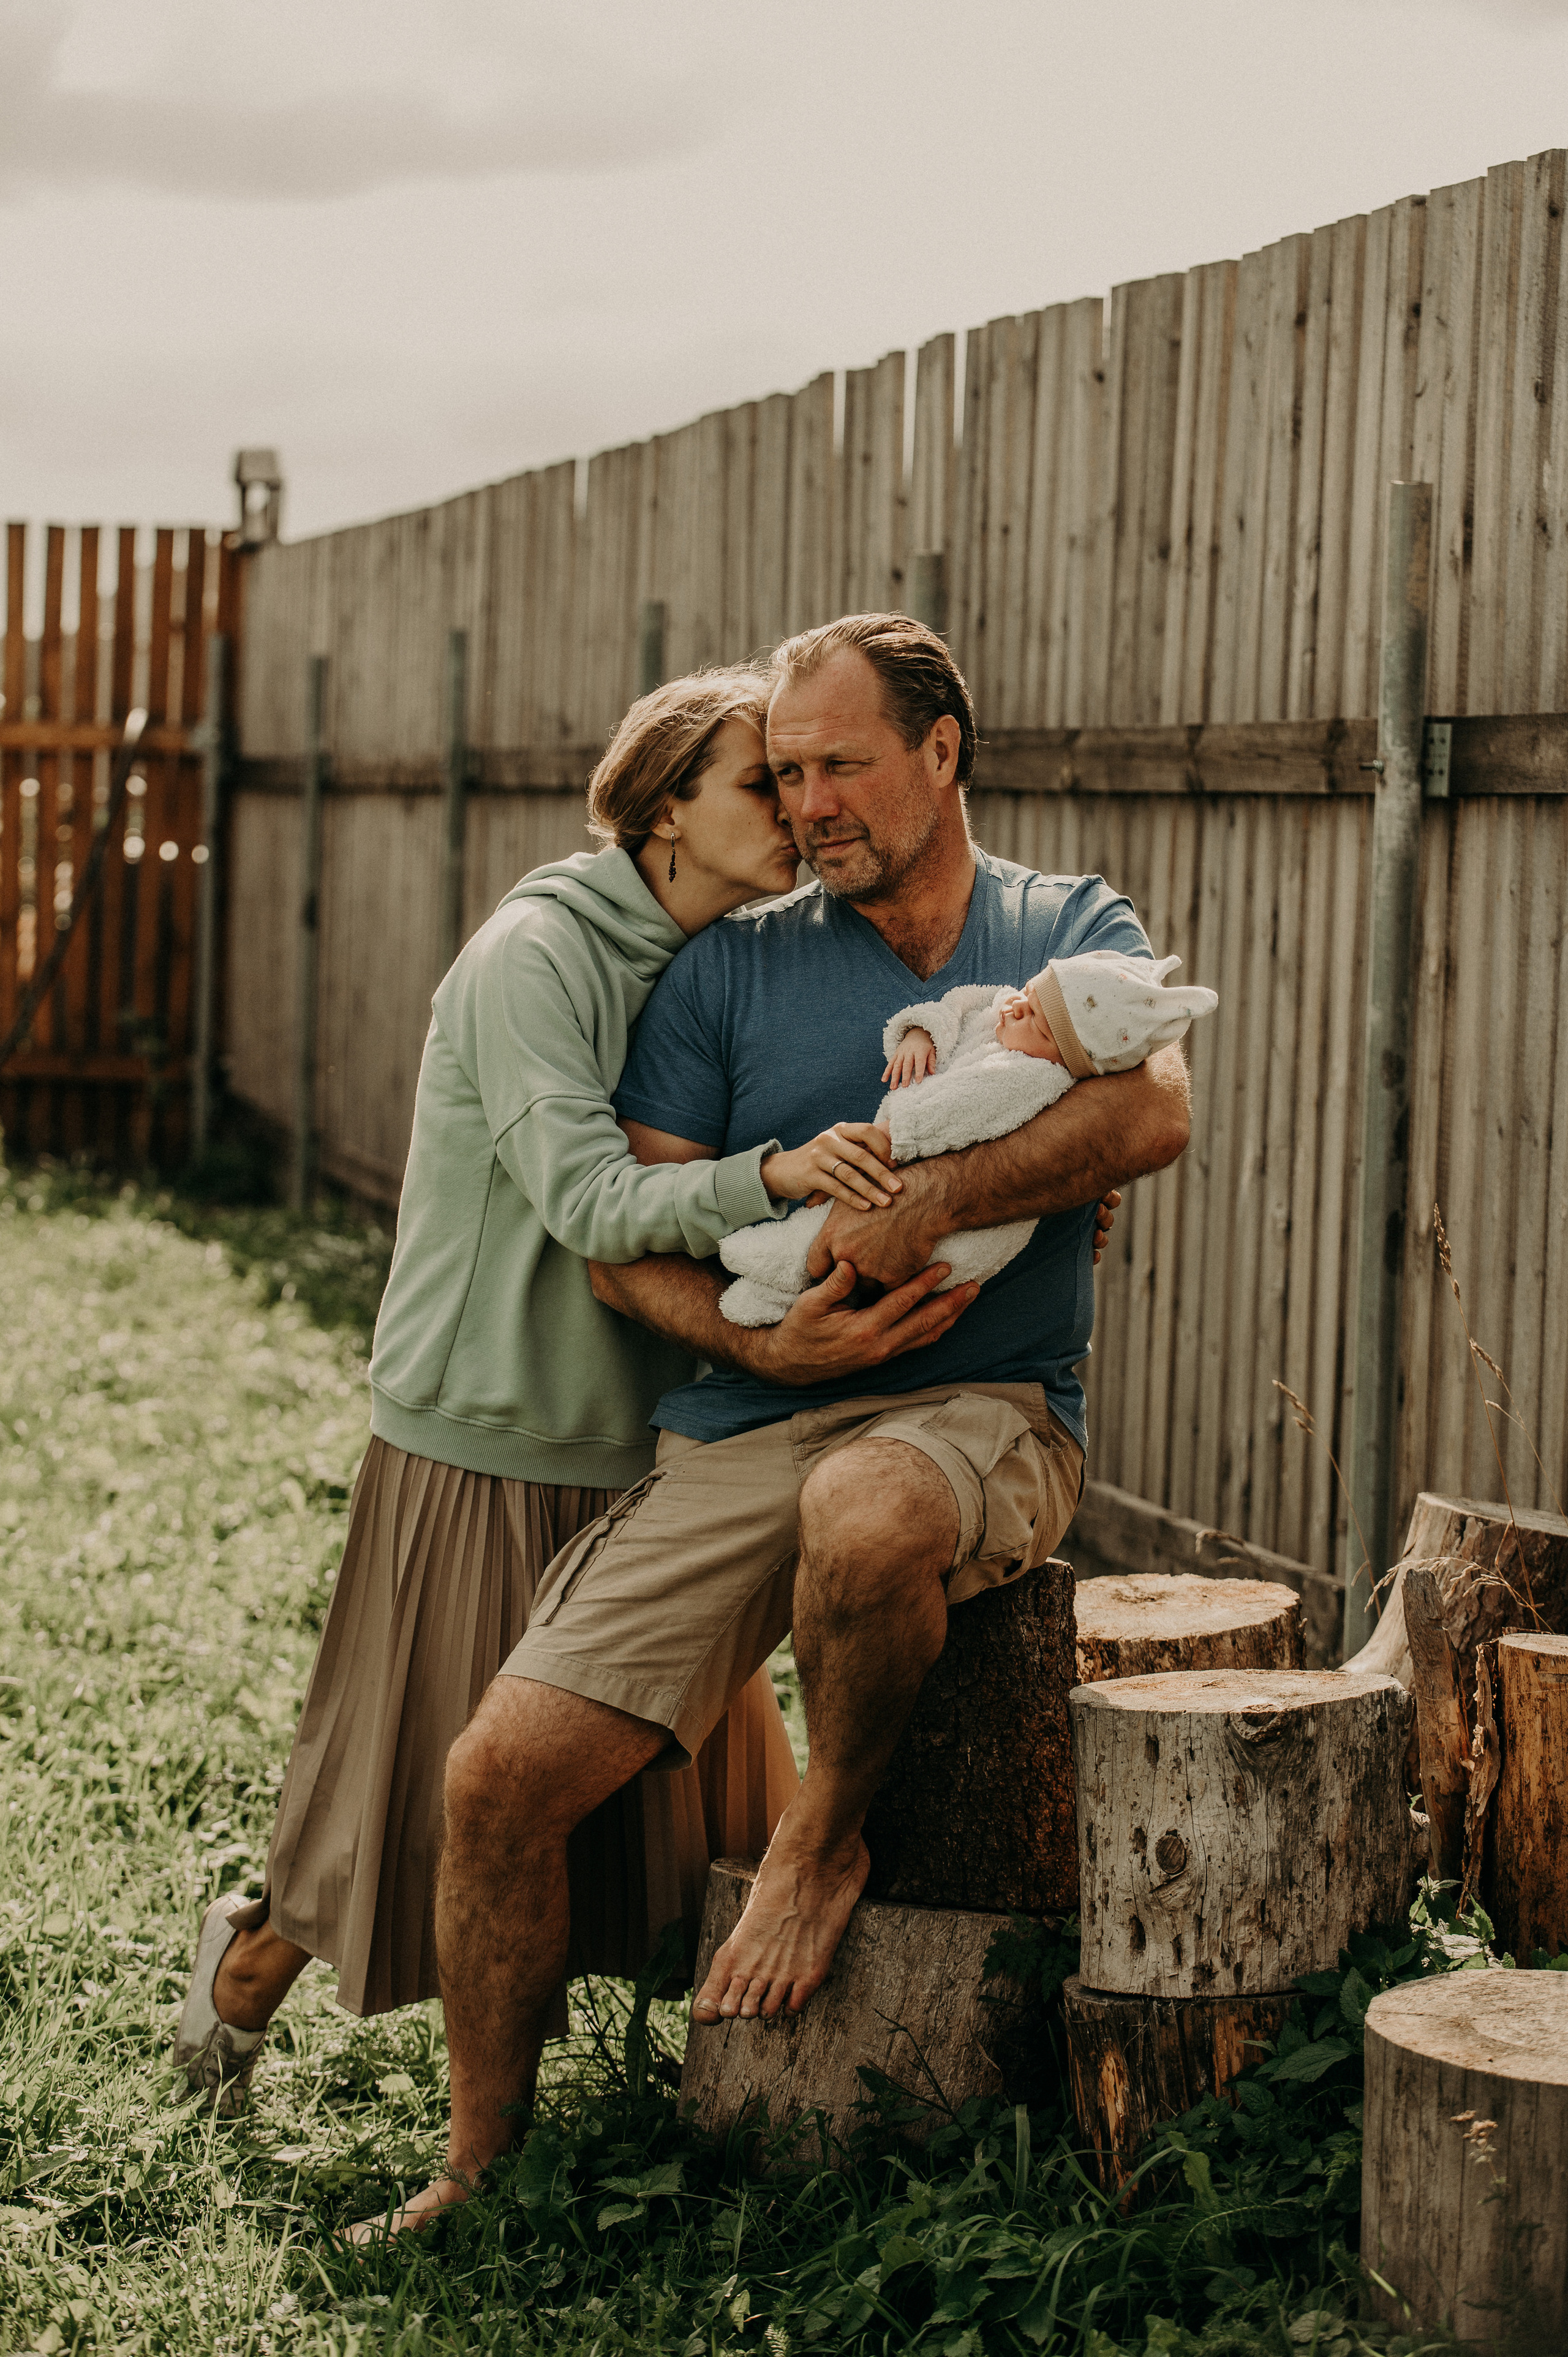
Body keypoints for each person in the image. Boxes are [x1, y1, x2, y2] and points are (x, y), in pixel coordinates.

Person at [382, 611, 1189, 2237]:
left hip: (982, 1406)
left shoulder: (1063, 924)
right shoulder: (728, 968)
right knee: (497, 1778)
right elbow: (619, 1252)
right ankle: (478, 2166)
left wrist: (937, 1199)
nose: (809, 799)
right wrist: (783, 1338)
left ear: (941, 751)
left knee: (874, 1511)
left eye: (840, 762)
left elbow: (1153, 1105)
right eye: (789, 770)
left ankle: (822, 1842)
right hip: (745, 1410)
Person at [173, 666, 906, 2116]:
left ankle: (650, 2101)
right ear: (662, 813)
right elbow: (585, 1190)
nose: (796, 808)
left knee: (649, 1791)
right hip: (488, 1430)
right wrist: (773, 1172)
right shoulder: (536, 955)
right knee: (406, 1801)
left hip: (654, 1432)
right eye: (761, 783)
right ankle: (246, 1966)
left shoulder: (734, 958)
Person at [716, 950, 1217, 1324]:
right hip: (911, 1160)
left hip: (957, 1220)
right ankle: (776, 1283)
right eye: (1029, 992)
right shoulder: (1010, 1013)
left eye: (1037, 1022)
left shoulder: (1030, 1077)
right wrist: (922, 1032)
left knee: (849, 1243)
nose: (1015, 1007)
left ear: (1066, 1059)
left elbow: (963, 1115)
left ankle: (773, 1290)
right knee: (847, 1221)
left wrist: (897, 1138)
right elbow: (964, 1001)